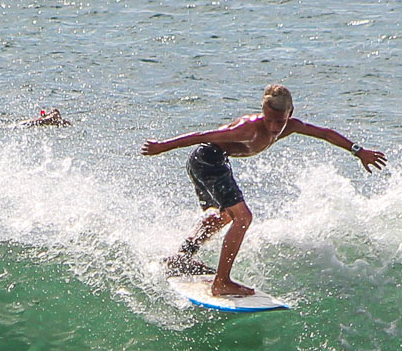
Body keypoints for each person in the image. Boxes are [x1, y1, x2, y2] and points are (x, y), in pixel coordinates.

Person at [142, 84, 386, 296]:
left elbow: (324, 133)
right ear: (262, 112)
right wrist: (162, 147)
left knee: (226, 215)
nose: (272, 127)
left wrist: (358, 151)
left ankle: (183, 257)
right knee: (243, 217)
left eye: (278, 122)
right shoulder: (248, 128)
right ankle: (222, 282)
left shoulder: (292, 126)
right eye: (268, 119)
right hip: (208, 160)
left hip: (211, 162)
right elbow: (202, 136)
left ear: (290, 114)